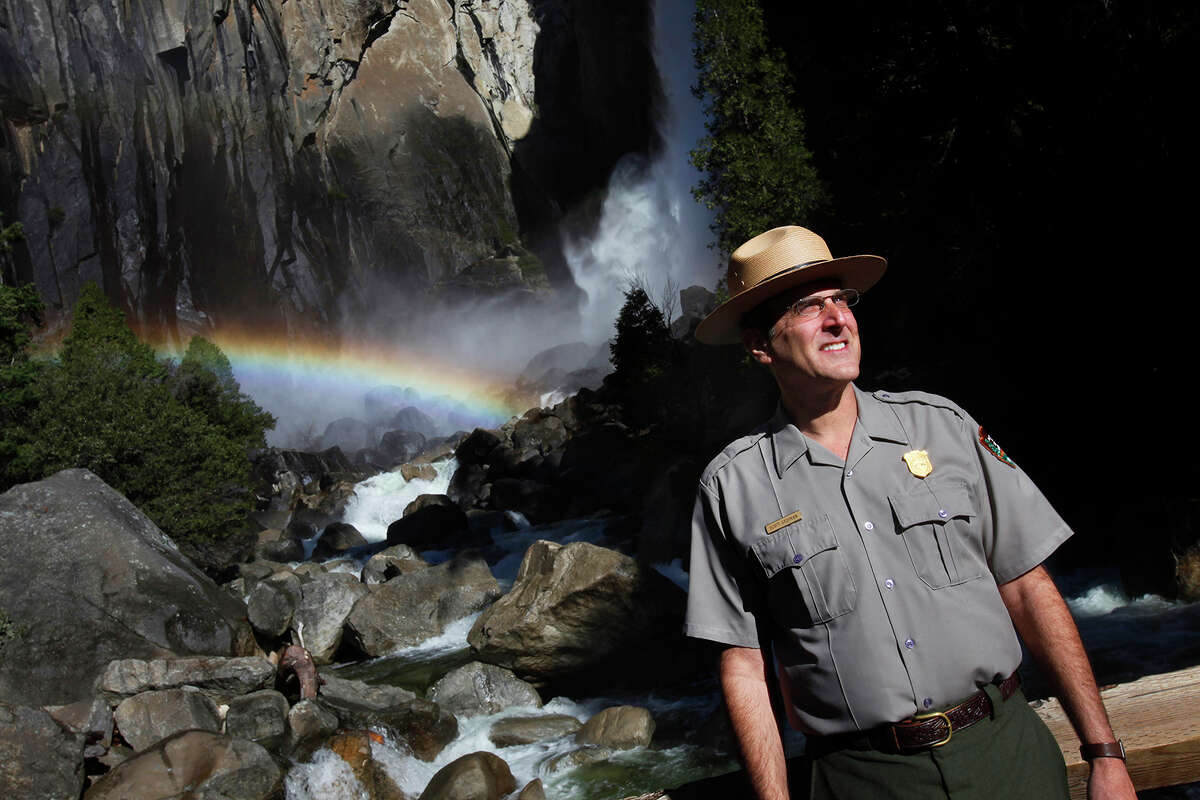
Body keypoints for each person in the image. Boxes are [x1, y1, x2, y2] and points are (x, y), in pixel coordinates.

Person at [684, 226, 1136, 800]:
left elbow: (1028, 588)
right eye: (807, 307)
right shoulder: (732, 486)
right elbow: (745, 666)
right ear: (760, 345)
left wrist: (1103, 751)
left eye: (841, 301)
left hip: (1007, 757)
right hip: (861, 780)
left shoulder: (942, 426)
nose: (836, 319)